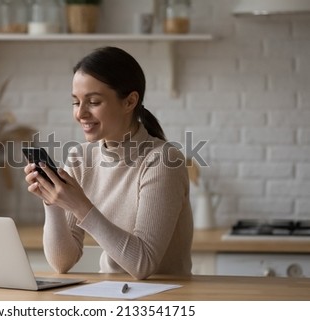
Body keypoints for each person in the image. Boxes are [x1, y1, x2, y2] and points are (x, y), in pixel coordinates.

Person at [24, 46, 193, 280]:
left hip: (165, 296)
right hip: (111, 292)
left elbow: (143, 264)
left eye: (93, 101)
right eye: (76, 102)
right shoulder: (80, 158)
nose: (81, 113)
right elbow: (62, 262)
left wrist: (80, 206)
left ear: (129, 101)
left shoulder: (163, 161)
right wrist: (51, 201)